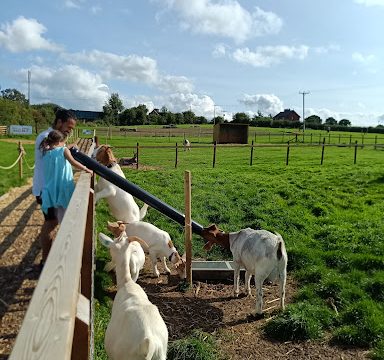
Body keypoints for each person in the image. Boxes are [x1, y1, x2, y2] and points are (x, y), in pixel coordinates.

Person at [32, 109, 77, 265]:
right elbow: (57, 152)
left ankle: (48, 259)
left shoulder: (52, 139)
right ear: (59, 122)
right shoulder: (45, 138)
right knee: (50, 223)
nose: (70, 131)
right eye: (68, 127)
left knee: (54, 222)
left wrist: (68, 146)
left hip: (51, 189)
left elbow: (59, 148)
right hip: (46, 190)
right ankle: (46, 261)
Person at [39, 129, 92, 224]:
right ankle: (66, 230)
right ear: (59, 141)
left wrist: (69, 146)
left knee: (57, 212)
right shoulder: (63, 150)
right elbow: (73, 162)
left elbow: (57, 149)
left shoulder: (45, 152)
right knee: (65, 211)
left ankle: (61, 228)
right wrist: (85, 168)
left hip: (51, 188)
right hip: (63, 185)